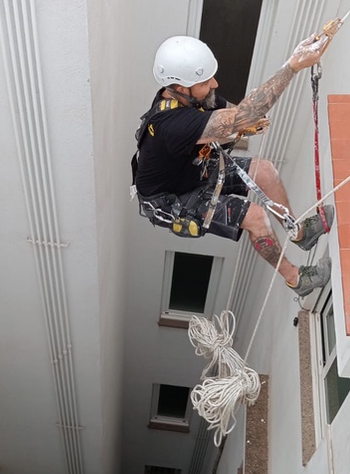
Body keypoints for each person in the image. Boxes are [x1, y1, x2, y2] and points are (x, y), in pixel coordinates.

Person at [133, 33, 335, 297]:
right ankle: (297, 279)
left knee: (264, 170)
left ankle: (299, 232)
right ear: (181, 88)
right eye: (206, 82)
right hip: (172, 198)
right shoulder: (172, 124)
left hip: (192, 170)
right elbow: (241, 117)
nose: (214, 84)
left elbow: (235, 114)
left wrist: (246, 123)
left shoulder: (196, 97)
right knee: (255, 216)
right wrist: (293, 66)